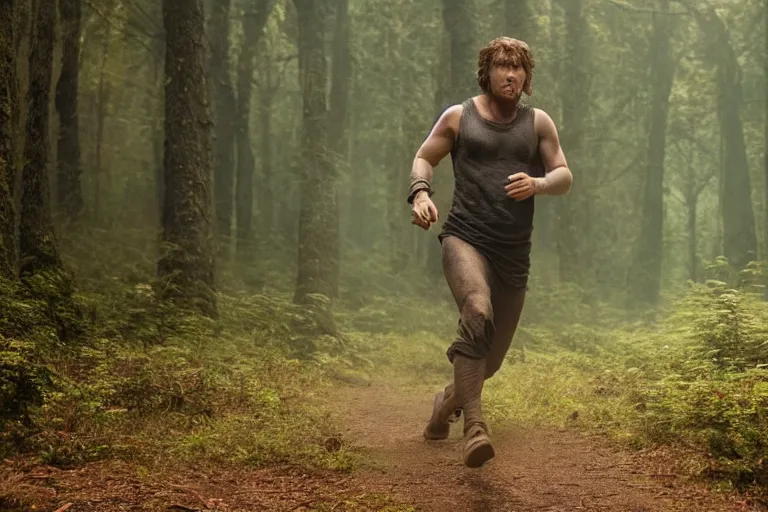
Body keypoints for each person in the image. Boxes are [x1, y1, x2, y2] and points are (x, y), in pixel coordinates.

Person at [407, 37, 573, 468]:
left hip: (513, 254)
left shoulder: (537, 123)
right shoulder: (459, 118)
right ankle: (475, 428)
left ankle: (444, 406)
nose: (511, 74)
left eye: (518, 68)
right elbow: (424, 157)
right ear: (488, 72)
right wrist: (420, 193)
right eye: (502, 66)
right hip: (464, 238)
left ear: (527, 76)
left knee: (489, 363)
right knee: (477, 312)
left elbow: (564, 175)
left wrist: (538, 184)